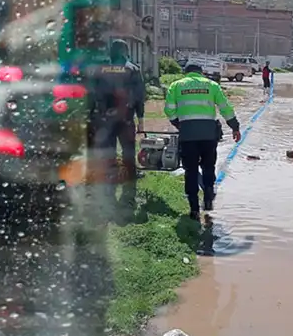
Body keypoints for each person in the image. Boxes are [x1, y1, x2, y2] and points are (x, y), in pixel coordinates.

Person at [164, 64, 241, 221]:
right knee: (208, 167)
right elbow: (225, 107)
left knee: (190, 171)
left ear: (186, 73)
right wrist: (235, 127)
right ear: (201, 72)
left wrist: (178, 124)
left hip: (188, 135)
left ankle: (193, 210)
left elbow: (169, 109)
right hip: (208, 135)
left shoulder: (176, 86)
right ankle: (207, 199)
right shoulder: (212, 85)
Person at [87, 39, 146, 215]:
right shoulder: (133, 69)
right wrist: (141, 119)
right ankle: (128, 196)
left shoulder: (101, 69)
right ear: (126, 51)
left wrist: (91, 116)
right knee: (128, 155)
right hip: (126, 119)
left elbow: (93, 95)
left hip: (105, 120)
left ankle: (109, 195)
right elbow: (139, 96)